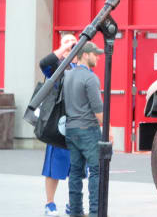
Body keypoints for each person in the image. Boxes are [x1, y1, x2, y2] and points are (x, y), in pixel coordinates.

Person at [63, 41, 104, 217]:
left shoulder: (67, 76)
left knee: (75, 172)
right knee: (96, 170)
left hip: (71, 130)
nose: (98, 58)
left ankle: (76, 211)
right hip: (88, 129)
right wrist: (108, 130)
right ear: (85, 55)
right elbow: (98, 109)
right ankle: (95, 212)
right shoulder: (90, 78)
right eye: (95, 54)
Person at [39, 32, 77, 216]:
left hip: (77, 124)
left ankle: (73, 202)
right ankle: (50, 203)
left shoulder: (81, 67)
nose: (71, 45)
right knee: (53, 167)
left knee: (77, 167)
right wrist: (65, 49)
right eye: (67, 42)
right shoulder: (56, 66)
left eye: (74, 42)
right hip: (57, 124)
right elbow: (44, 64)